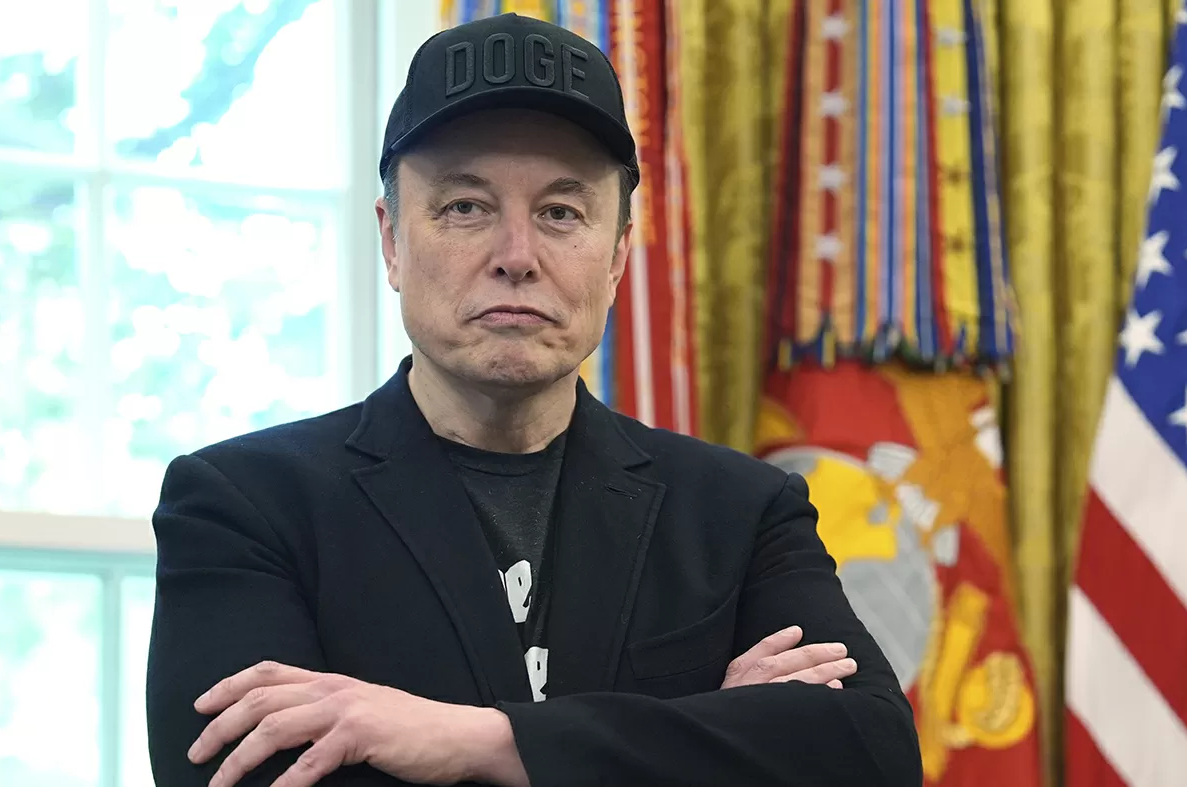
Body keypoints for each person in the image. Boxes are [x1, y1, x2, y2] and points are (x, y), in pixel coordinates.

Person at [145, 12, 922, 787]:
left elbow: (872, 754)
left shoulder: (741, 511)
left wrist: (476, 740)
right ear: (392, 241)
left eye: (560, 212)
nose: (516, 256)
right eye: (465, 206)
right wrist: (709, 730)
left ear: (616, 256)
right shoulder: (244, 505)